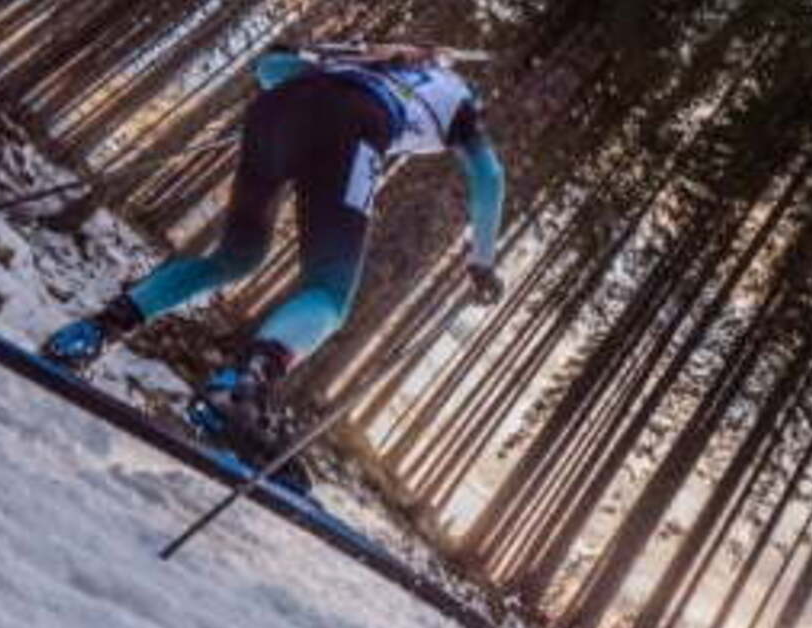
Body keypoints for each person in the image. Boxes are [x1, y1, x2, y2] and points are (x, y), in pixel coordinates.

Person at [40, 41, 506, 459]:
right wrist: (482, 262)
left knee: (237, 255)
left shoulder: (374, 57)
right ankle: (241, 390)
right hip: (357, 126)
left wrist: (325, 81)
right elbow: (489, 177)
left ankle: (93, 330)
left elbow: (271, 68)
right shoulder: (462, 100)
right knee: (329, 291)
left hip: (278, 110)